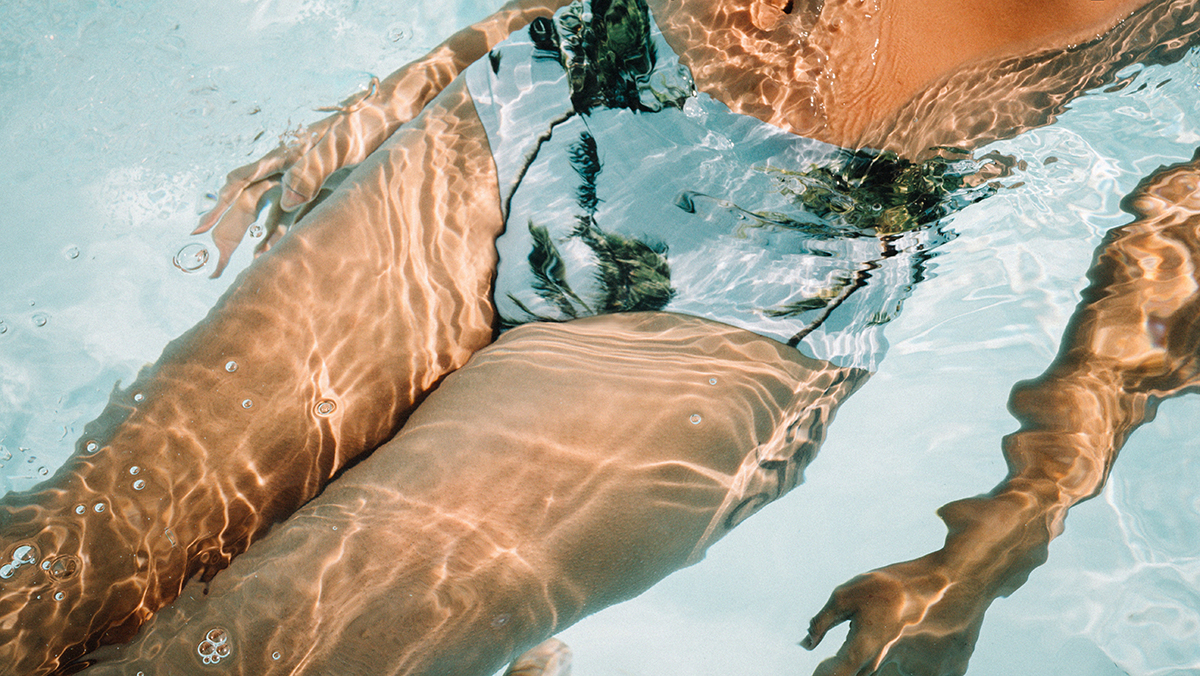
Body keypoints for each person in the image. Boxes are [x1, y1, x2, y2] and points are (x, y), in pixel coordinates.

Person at [0, 0, 1197, 674]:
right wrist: (421, 75)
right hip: (549, 94)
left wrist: (991, 548)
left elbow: (1174, 256)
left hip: (761, 290)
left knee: (248, 654)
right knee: (65, 555)